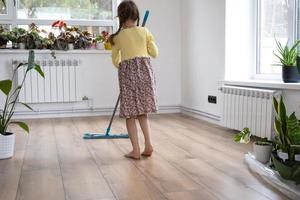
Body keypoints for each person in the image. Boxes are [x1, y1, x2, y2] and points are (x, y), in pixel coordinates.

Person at [109, 0, 158, 160]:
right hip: (145, 75)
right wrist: (148, 41)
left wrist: (124, 68)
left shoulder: (117, 37)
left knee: (130, 115)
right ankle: (149, 145)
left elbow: (115, 59)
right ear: (136, 16)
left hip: (128, 76)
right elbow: (154, 53)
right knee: (142, 113)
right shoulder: (145, 31)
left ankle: (136, 150)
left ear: (121, 18)